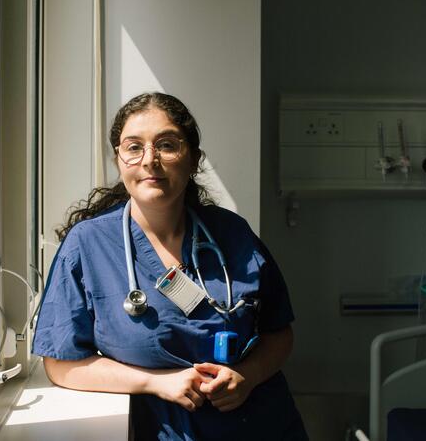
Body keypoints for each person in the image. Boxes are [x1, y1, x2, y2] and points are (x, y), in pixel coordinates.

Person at [32, 92, 308, 440]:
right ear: (118, 159)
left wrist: (248, 375)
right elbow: (61, 364)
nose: (150, 160)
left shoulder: (233, 235)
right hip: (164, 430)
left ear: (193, 159)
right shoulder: (88, 245)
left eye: (166, 145)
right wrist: (156, 382)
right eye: (134, 147)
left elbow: (279, 333)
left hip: (258, 424)